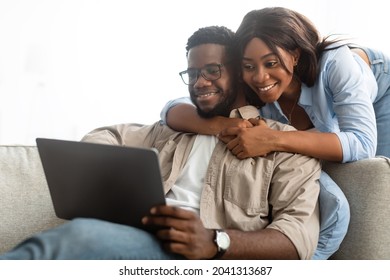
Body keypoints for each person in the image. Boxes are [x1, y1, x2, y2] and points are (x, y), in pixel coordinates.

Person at [0, 26, 321, 260]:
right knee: (76, 237)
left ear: (239, 73)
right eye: (192, 73)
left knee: (72, 239)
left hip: (208, 258)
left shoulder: (285, 146)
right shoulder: (172, 130)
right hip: (140, 240)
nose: (200, 83)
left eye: (212, 71)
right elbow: (107, 136)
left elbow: (297, 240)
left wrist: (216, 241)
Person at [160, 8, 357, 259]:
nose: (260, 75)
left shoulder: (336, 64)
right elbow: (171, 108)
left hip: (378, 99)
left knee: (337, 200)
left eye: (270, 63)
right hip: (307, 133)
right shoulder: (254, 86)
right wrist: (221, 125)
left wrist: (274, 139)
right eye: (249, 66)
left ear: (294, 56)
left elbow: (360, 143)